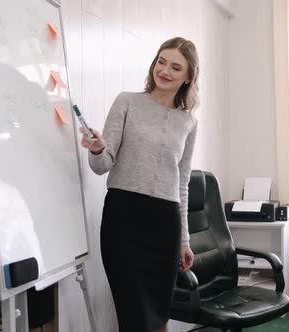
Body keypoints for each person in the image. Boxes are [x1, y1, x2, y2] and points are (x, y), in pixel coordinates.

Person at [79, 37, 199, 332]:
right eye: (161, 61)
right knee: (133, 316)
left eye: (175, 67)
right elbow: (102, 165)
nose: (165, 71)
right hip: (124, 220)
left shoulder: (188, 123)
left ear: (188, 77)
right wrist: (96, 149)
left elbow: (182, 183)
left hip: (164, 225)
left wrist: (184, 239)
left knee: (158, 316)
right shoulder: (127, 101)